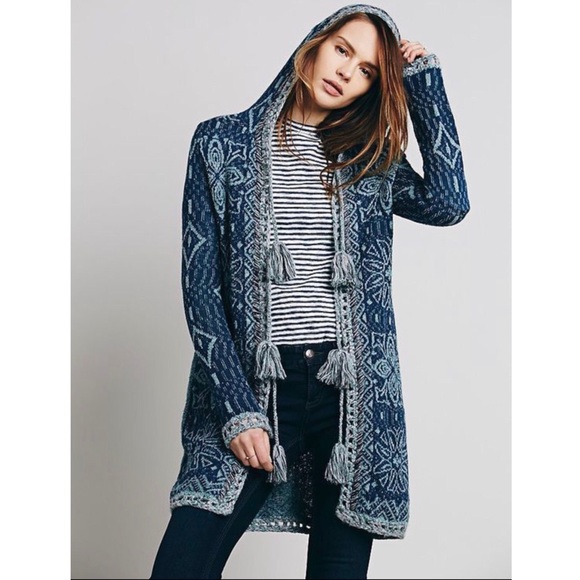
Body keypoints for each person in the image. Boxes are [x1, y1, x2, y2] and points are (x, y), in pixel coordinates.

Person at [150, 3, 470, 579]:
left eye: (368, 70)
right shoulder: (221, 143)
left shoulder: (370, 159)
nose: (347, 71)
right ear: (315, 44)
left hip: (350, 400)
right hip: (253, 387)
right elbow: (201, 288)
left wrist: (422, 82)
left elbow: (449, 203)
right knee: (182, 566)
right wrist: (238, 409)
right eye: (343, 50)